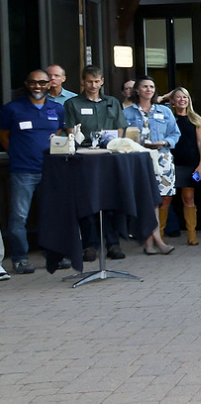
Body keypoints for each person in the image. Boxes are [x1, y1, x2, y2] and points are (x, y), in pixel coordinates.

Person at [0, 69, 66, 274]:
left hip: (49, 170)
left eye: (42, 82)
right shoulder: (12, 109)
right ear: (27, 84)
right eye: (33, 82)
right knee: (19, 216)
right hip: (23, 171)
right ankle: (20, 258)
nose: (38, 86)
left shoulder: (57, 109)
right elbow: (4, 136)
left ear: (50, 84)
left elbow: (58, 133)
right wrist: (18, 154)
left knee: (51, 214)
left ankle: (52, 254)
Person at [64, 66, 128, 260]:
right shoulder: (72, 103)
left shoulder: (113, 102)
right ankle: (89, 246)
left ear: (102, 81)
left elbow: (121, 128)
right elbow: (69, 132)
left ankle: (113, 244)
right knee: (86, 201)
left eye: (96, 81)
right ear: (82, 81)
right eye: (89, 81)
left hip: (108, 157)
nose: (93, 85)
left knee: (110, 201)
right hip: (83, 158)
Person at [123, 76, 181, 256]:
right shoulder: (127, 113)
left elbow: (175, 133)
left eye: (151, 86)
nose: (148, 89)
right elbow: (122, 137)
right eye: (145, 87)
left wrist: (164, 141)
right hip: (139, 160)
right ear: (137, 90)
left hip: (162, 159)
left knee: (160, 200)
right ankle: (153, 241)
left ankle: (154, 239)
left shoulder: (165, 111)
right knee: (146, 201)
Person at [167, 87, 201, 245]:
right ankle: (162, 234)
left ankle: (192, 235)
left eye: (185, 97)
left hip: (193, 165)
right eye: (178, 97)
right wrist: (166, 95)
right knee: (166, 198)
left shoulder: (196, 118)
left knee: (189, 197)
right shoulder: (168, 117)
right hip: (171, 163)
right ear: (172, 100)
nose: (182, 100)